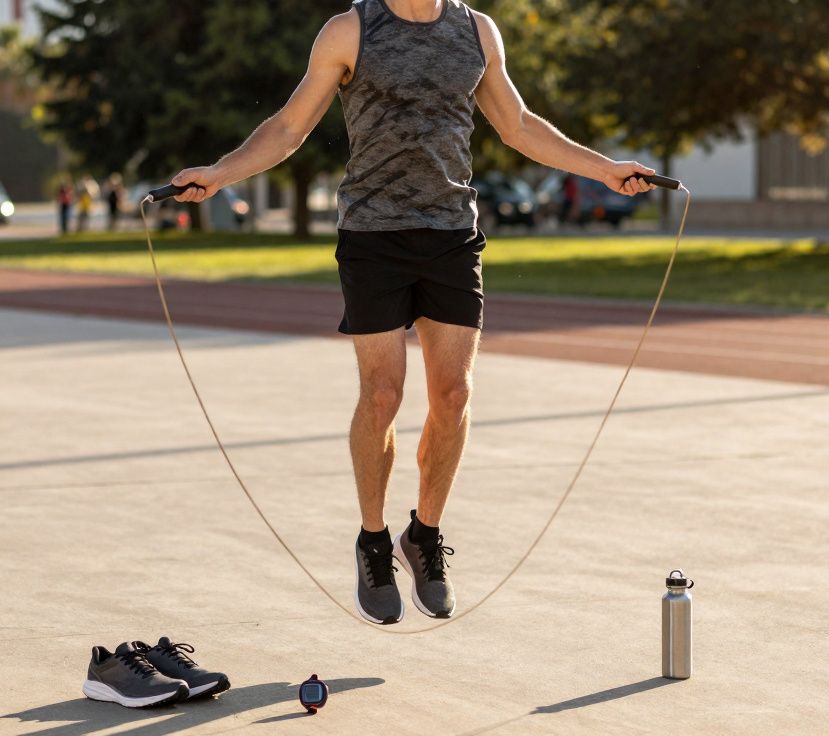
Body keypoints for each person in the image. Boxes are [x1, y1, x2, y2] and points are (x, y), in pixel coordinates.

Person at [167, 0, 656, 625]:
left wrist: (606, 169)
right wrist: (219, 172)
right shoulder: (351, 31)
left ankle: (423, 535)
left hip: (452, 235)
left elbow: (520, 125)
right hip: (374, 237)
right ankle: (373, 541)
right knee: (382, 396)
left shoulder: (477, 31)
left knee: (453, 394)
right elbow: (290, 128)